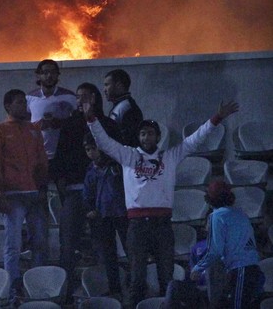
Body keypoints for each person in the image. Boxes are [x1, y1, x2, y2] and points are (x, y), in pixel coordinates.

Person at [85, 98, 240, 308]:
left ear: (158, 136)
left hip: (162, 223)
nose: (146, 136)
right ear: (138, 137)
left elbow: (195, 140)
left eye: (150, 133)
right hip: (137, 226)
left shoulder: (170, 157)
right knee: (137, 279)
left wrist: (217, 117)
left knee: (167, 278)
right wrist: (91, 119)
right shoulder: (128, 156)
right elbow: (104, 142)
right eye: (142, 133)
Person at [53, 83, 120, 297]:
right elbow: (61, 156)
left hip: (103, 192)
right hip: (74, 190)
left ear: (95, 98)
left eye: (85, 96)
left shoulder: (108, 125)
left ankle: (108, 290)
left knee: (104, 244)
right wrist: (61, 182)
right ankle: (65, 293)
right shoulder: (70, 125)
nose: (81, 100)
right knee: (69, 242)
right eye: (78, 96)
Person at [0, 88, 48, 303]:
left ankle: (39, 286)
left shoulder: (34, 130)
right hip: (12, 195)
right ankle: (13, 288)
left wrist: (42, 189)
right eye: (20, 103)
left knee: (40, 242)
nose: (24, 106)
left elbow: (42, 161)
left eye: (25, 102)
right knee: (13, 244)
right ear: (8, 106)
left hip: (34, 193)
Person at [190, 180, 265, 308]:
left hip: (241, 269)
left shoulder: (217, 216)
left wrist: (197, 268)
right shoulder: (240, 214)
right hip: (252, 268)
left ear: (210, 200)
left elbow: (215, 251)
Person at [82, 131, 129, 297]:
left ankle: (134, 284)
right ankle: (115, 288)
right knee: (109, 255)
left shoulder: (116, 166)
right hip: (103, 215)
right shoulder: (91, 170)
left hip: (122, 213)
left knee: (130, 250)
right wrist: (89, 209)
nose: (91, 153)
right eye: (87, 149)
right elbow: (87, 192)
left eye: (93, 148)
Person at [25, 59, 77, 169]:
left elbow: (77, 122)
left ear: (58, 75)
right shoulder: (30, 98)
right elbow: (25, 125)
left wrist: (60, 123)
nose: (49, 76)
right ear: (38, 75)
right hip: (37, 155)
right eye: (45, 72)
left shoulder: (70, 97)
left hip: (64, 153)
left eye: (53, 72)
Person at [103, 68, 143, 147]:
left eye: (107, 85)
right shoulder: (121, 106)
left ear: (119, 86)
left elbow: (128, 141)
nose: (104, 90)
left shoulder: (127, 108)